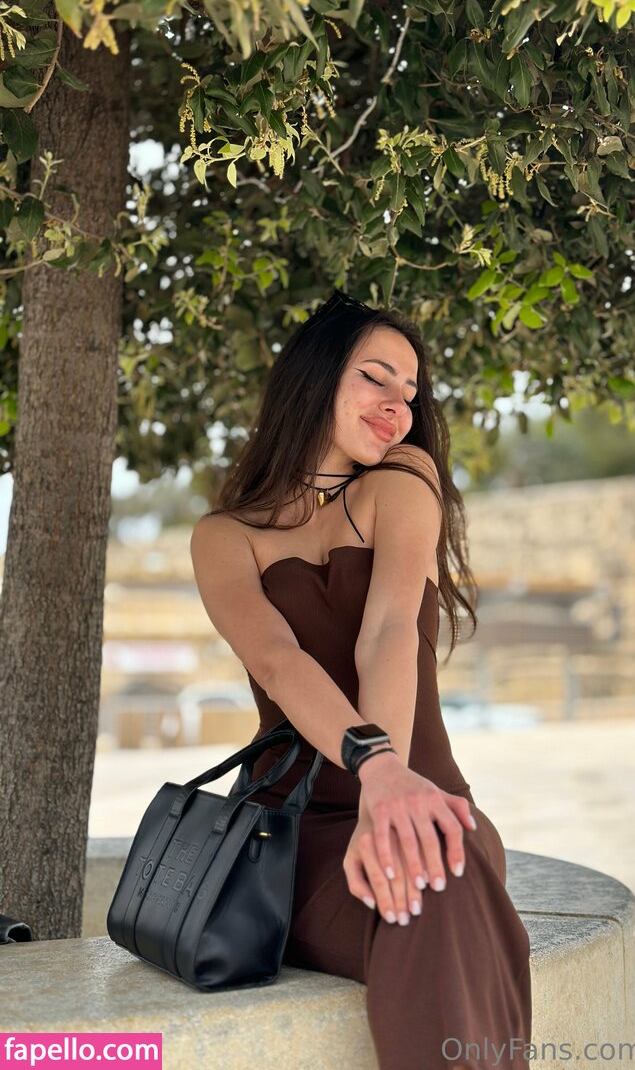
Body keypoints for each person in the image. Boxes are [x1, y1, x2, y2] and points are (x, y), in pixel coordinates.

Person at [189, 290, 533, 1069]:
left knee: (433, 860)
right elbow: (278, 661)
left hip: (423, 791)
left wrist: (389, 784)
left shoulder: (402, 482)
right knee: (432, 885)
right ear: (314, 378)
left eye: (409, 393)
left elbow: (387, 634)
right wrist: (372, 769)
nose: (397, 407)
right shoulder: (224, 537)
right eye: (375, 377)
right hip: (292, 830)